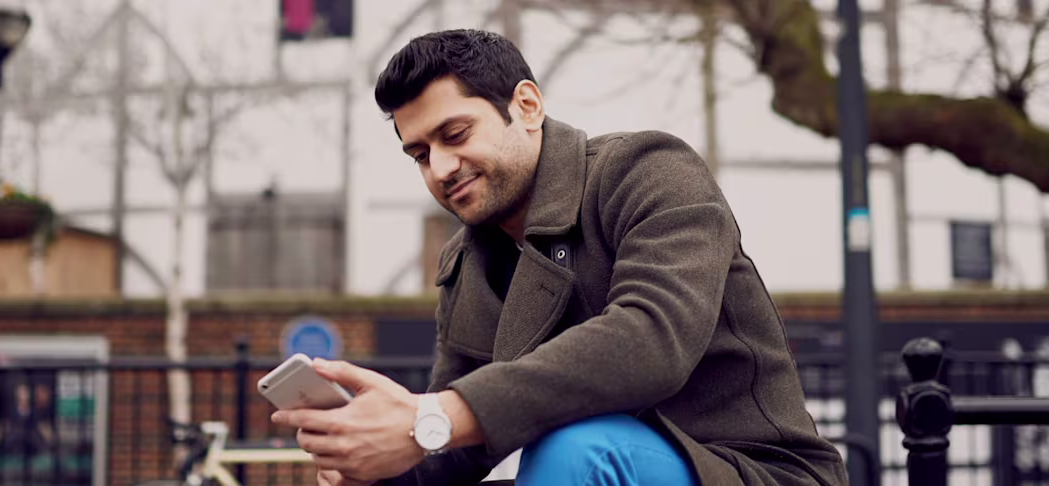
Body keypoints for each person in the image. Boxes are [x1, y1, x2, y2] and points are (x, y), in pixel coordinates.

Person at [271, 29, 846, 486]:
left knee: (577, 449)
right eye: (419, 154)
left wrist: (432, 417)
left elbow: (652, 339)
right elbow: (459, 450)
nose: (441, 168)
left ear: (525, 105)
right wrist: (375, 461)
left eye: (456, 133)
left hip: (743, 468)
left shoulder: (648, 171)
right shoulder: (468, 263)